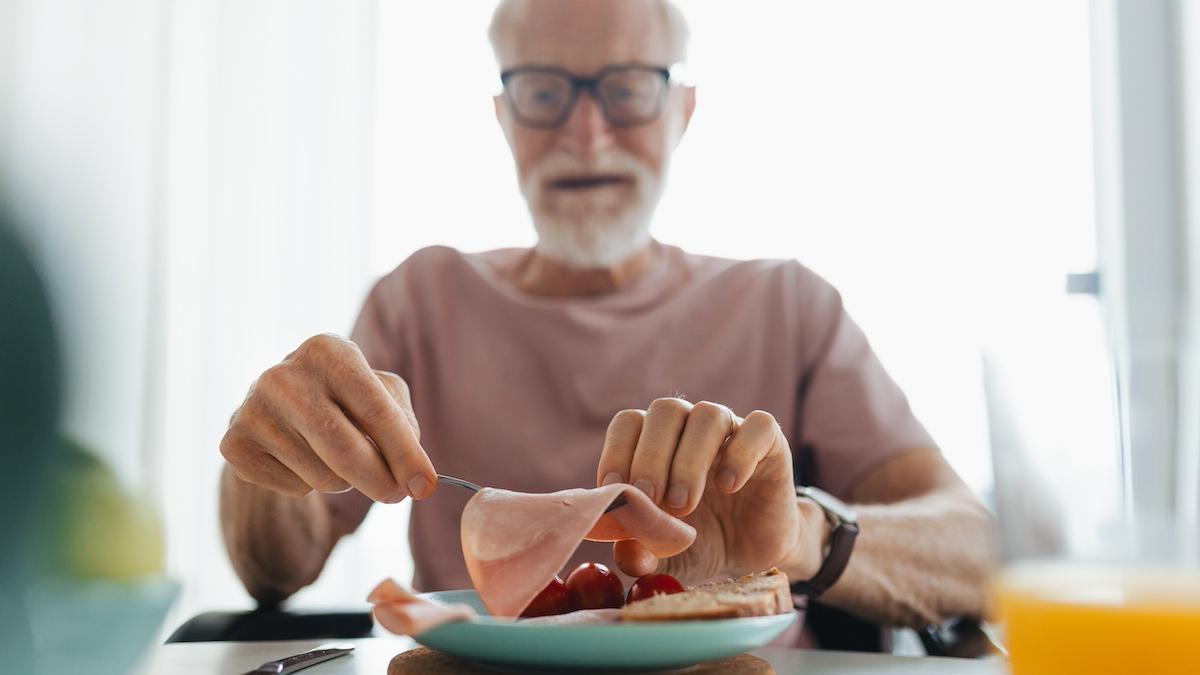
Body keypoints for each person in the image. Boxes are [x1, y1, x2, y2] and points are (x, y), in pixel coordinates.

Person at [219, 0, 992, 643]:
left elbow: (979, 551)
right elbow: (272, 567)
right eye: (544, 93)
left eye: (625, 90)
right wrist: (278, 449)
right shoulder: (420, 297)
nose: (585, 135)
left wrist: (796, 536)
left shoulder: (789, 306)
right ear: (503, 118)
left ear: (682, 111)